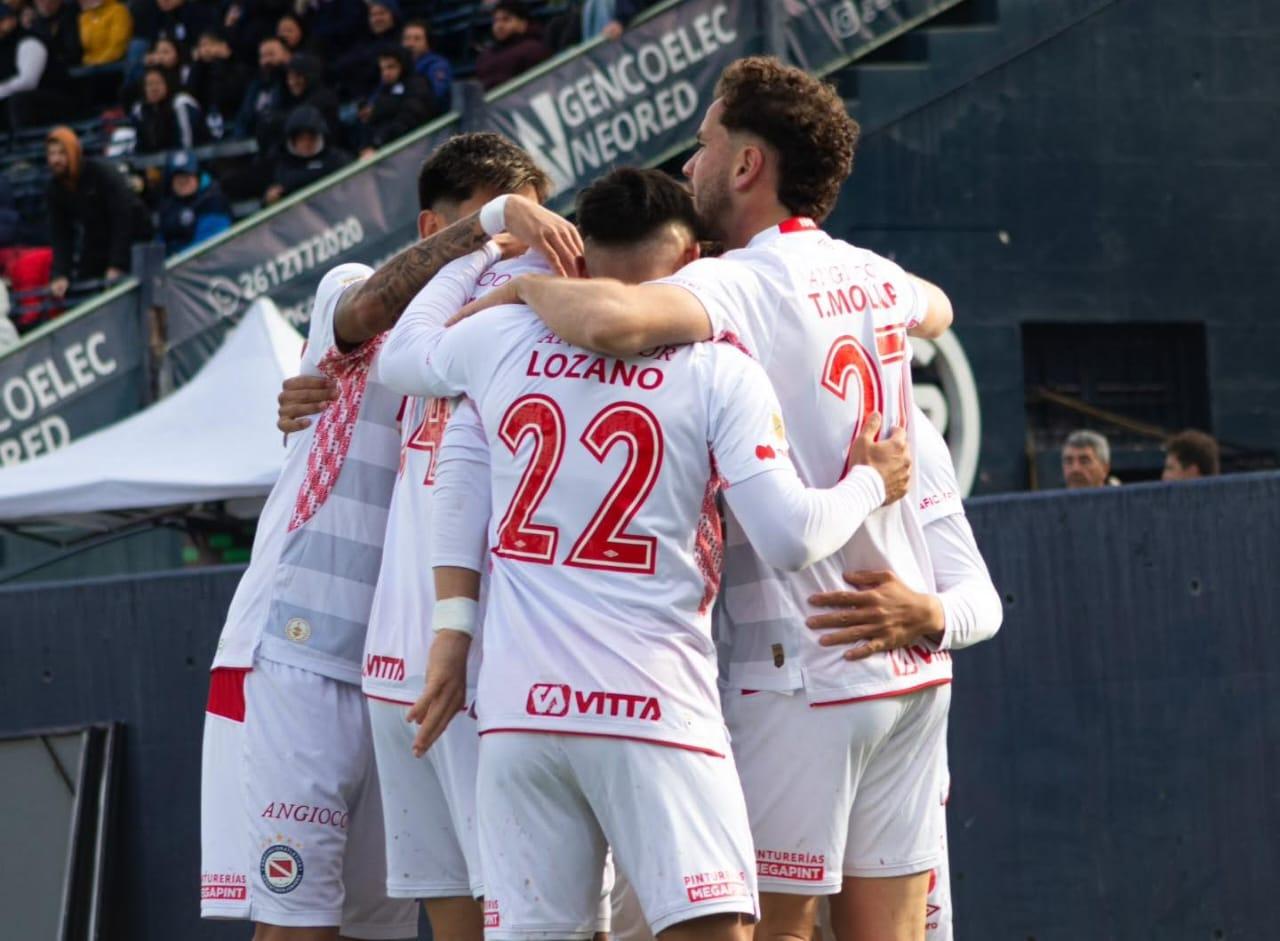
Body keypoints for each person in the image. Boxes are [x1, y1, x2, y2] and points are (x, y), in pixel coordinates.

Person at [453, 56, 954, 941]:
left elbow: (610, 322)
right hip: (909, 666)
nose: (690, 165)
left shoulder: (737, 282)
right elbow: (938, 308)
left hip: (804, 653)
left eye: (704, 144)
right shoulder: (874, 272)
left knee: (770, 929)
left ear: (748, 165)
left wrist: (526, 286)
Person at [198, 170, 582, 940]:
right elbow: (366, 310)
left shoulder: (499, 335)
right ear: (433, 226)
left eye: (529, 227)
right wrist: (492, 223)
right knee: (299, 923)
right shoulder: (356, 291)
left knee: (384, 925)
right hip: (299, 652)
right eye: (502, 224)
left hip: (407, 665)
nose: (513, 243)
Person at [44, 125, 153, 299]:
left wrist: (117, 264)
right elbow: (61, 234)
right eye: (51, 154)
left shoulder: (101, 173)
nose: (56, 159)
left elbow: (123, 218)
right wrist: (60, 274)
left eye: (61, 153)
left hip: (134, 235)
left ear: (73, 152)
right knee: (83, 288)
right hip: (97, 238)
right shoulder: (55, 188)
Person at [0, 5, 74, 128]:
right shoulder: (3, 48)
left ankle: (24, 139)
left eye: (2, 20)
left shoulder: (29, 41)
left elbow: (28, 82)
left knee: (19, 101)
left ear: (12, 20)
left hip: (54, 100)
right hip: (19, 103)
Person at [263, 103, 352, 204]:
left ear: (319, 138)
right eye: (301, 139)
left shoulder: (337, 158)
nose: (306, 144)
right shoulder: (283, 168)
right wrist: (269, 199)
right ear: (293, 141)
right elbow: (270, 197)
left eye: (311, 138)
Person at [358, 45, 438, 155]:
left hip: (416, 147)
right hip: (388, 149)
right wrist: (367, 146)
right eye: (382, 69)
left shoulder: (417, 85)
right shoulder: (384, 91)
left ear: (402, 65)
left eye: (391, 67)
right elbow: (371, 123)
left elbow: (410, 118)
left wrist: (377, 143)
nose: (385, 73)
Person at [157, 149, 230, 254]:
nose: (182, 181)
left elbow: (210, 245)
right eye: (177, 177)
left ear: (198, 177)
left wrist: (177, 258)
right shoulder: (168, 205)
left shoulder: (213, 202)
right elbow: (160, 243)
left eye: (187, 176)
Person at [187, 26, 249, 136]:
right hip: (207, 123)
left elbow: (230, 93)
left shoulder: (238, 68)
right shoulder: (200, 71)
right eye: (202, 46)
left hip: (233, 119)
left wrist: (219, 61)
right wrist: (197, 64)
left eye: (210, 44)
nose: (206, 50)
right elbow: (191, 93)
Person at [475, 0, 550, 91]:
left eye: (506, 19)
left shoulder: (534, 49)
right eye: (495, 21)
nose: (499, 26)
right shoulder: (485, 57)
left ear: (523, 23)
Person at [131, 65, 205, 152]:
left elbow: (186, 143)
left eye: (158, 83)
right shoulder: (140, 110)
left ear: (167, 83)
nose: (154, 88)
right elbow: (140, 145)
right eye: (149, 84)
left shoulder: (181, 103)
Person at [234, 34, 290, 147]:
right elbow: (244, 117)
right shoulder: (255, 86)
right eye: (263, 56)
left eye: (271, 54)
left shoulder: (291, 84)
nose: (266, 61)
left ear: (287, 55)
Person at [401, 18, 451, 108]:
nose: (410, 44)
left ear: (428, 42)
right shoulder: (397, 66)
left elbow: (436, 96)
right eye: (407, 39)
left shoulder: (437, 65)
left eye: (417, 39)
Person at [25, 0, 83, 72]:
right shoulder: (33, 23)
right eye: (41, 1)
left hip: (68, 68)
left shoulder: (70, 15)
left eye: (52, 1)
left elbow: (73, 52)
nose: (46, 3)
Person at [77, 0, 132, 66]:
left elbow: (118, 43)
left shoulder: (118, 11)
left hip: (113, 64)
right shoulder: (84, 17)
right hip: (89, 64)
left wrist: (100, 61)